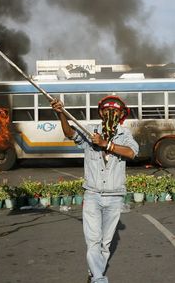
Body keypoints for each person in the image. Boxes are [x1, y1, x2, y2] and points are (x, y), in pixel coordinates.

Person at [51, 95, 139, 283]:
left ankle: (94, 272)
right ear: (101, 113)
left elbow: (132, 152)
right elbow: (70, 133)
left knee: (105, 244)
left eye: (115, 111)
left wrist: (107, 144)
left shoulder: (125, 135)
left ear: (121, 114)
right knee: (93, 242)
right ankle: (99, 278)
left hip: (115, 197)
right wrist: (61, 114)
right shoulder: (90, 131)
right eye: (107, 110)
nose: (111, 113)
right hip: (92, 195)